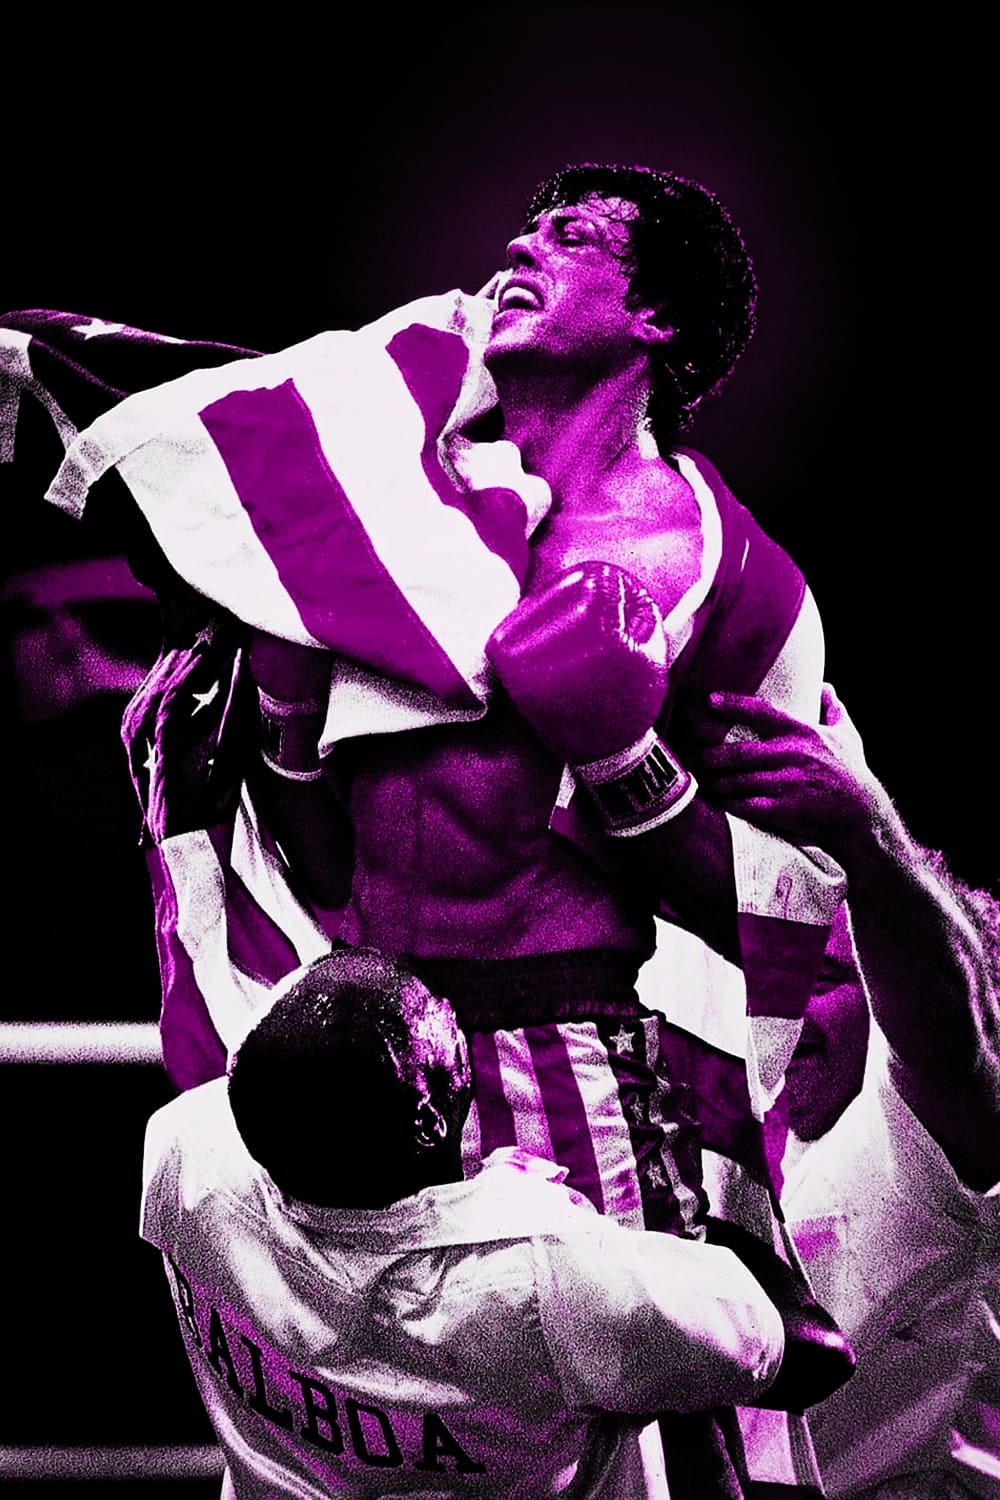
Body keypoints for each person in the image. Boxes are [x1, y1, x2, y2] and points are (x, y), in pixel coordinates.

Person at [140, 945, 786, 1499]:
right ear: (426, 1119)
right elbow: (806, 1354)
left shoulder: (187, 1153)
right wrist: (679, 1229)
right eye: (433, 1008)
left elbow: (280, 1096)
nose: (453, 1005)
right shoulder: (547, 1275)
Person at [695, 682, 1000, 1497]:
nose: (782, 1011)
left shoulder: (922, 1141)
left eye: (823, 980)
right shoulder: (743, 1129)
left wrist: (866, 840)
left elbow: (953, 1040)